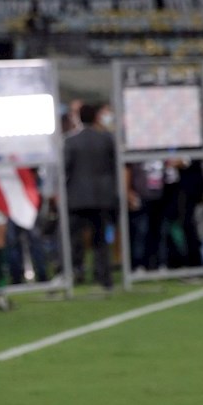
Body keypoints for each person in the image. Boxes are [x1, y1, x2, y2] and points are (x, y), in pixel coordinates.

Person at [62, 102, 117, 291]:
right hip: (102, 197)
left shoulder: (71, 141)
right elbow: (114, 166)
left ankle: (76, 272)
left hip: (77, 197)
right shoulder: (107, 139)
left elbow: (65, 168)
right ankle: (104, 277)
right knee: (100, 239)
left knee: (74, 238)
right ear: (96, 117)